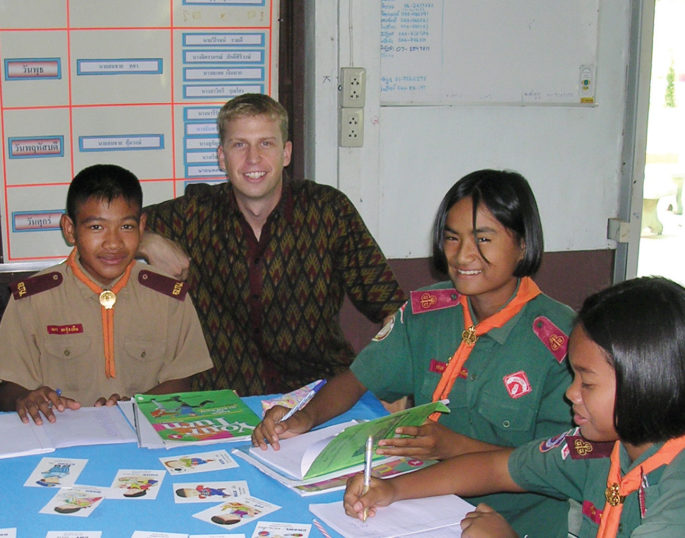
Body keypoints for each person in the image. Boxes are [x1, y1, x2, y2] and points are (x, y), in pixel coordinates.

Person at [254, 169, 576, 537]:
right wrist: (305, 417)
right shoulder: (429, 311)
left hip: (513, 524)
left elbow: (557, 467)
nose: (463, 254)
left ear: (523, 244)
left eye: (484, 238)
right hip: (418, 502)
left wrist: (453, 446)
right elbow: (360, 378)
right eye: (452, 238)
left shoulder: (561, 340)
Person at [344, 276, 685, 538]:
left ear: (643, 383)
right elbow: (498, 468)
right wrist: (391, 489)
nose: (571, 393)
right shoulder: (597, 449)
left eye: (587, 382)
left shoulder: (677, 492)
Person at [139, 93, 405, 395]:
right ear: (222, 157)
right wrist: (148, 241)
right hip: (225, 402)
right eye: (240, 145)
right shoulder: (194, 214)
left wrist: (392, 384)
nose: (253, 159)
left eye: (266, 143)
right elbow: (104, 229)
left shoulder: (329, 211)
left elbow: (392, 310)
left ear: (286, 153)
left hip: (319, 396)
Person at [0, 164, 213, 425]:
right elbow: (10, 387)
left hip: (145, 436)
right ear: (69, 229)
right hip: (59, 437)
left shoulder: (169, 296)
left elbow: (182, 379)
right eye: (96, 228)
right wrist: (27, 397)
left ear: (141, 226)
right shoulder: (32, 299)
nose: (113, 243)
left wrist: (135, 407)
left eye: (126, 227)